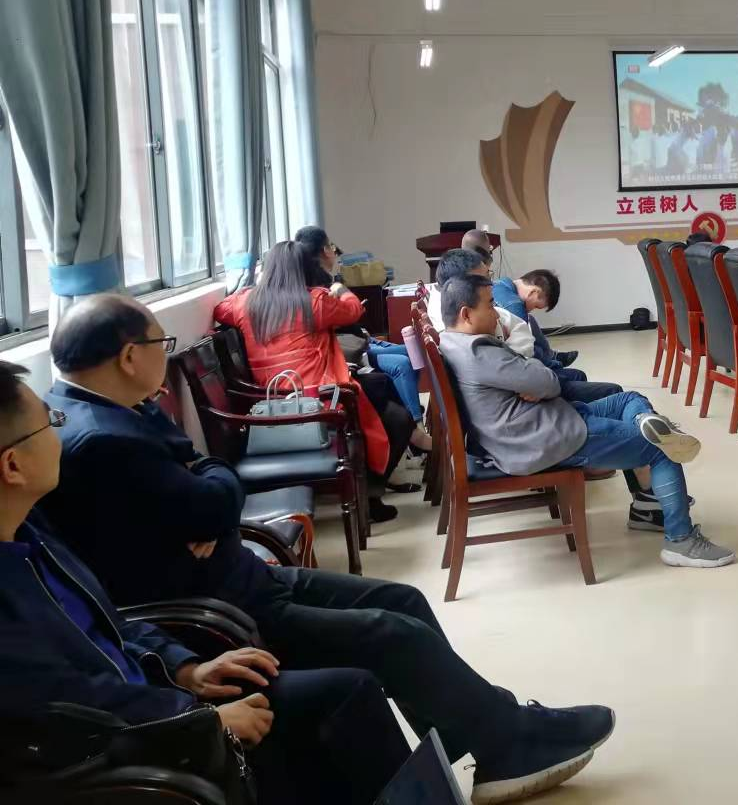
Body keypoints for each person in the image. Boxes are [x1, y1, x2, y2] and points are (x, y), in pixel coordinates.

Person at [41, 295, 616, 804]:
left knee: (404, 600)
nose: (163, 356)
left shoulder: (106, 411)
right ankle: (504, 741)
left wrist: (204, 482)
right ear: (129, 356)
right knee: (394, 634)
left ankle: (495, 733)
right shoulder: (104, 440)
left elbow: (206, 488)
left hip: (240, 574)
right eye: (159, 345)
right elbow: (215, 496)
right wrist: (208, 479)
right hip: (221, 609)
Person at [0, 360, 413, 805]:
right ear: (13, 465)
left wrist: (185, 668)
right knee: (335, 708)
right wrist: (199, 718)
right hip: (122, 749)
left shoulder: (30, 530)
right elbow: (64, 708)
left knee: (351, 690)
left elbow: (110, 622)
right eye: (50, 424)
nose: (59, 434)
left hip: (158, 697)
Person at [440, 274, 736, 569]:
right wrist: (534, 375)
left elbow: (539, 377)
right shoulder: (480, 353)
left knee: (627, 399)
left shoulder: (454, 342)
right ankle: (681, 540)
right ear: (466, 314)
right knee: (662, 446)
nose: (497, 312)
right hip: (546, 437)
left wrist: (533, 376)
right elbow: (548, 380)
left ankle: (646, 484)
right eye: (489, 304)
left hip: (543, 423)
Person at [214, 242, 424, 523]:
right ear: (307, 269)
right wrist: (339, 287)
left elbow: (221, 309)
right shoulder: (313, 302)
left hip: (271, 400)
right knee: (395, 414)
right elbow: (353, 310)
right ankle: (371, 492)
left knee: (381, 390)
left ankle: (378, 484)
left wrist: (249, 290)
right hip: (318, 399)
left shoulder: (247, 304)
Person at [295, 226, 425, 425]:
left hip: (356, 340)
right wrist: (342, 294)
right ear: (325, 250)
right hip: (347, 351)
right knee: (403, 363)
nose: (334, 252)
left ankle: (411, 412)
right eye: (331, 247)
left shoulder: (316, 283)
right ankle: (414, 424)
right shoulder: (318, 289)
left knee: (413, 352)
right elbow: (350, 311)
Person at [492, 269, 616, 402]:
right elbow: (526, 355)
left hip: (504, 374)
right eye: (536, 306)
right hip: (520, 381)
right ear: (534, 292)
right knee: (581, 377)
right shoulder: (514, 306)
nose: (531, 310)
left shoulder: (498, 284)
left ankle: (553, 359)